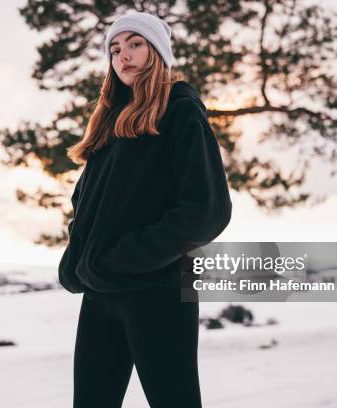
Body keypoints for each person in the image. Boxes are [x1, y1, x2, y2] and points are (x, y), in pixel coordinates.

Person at [58, 10, 232, 408]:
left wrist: (126, 258)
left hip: (158, 293)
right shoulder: (110, 125)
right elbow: (84, 206)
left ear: (158, 52)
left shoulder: (180, 111)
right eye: (115, 49)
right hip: (102, 294)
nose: (123, 56)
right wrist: (77, 260)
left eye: (135, 44)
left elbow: (207, 209)